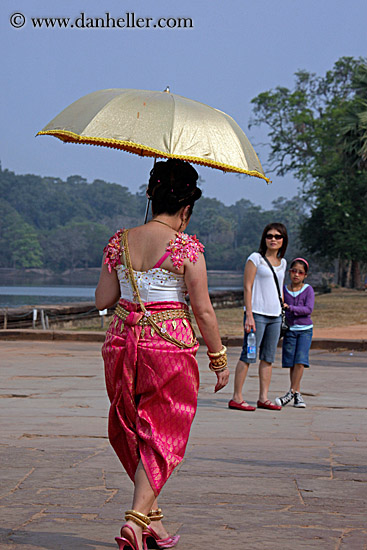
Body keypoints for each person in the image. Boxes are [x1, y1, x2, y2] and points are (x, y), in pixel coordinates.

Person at [95, 159, 229, 550]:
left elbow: (104, 299)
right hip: (168, 345)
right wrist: (218, 357)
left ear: (151, 196)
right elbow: (203, 310)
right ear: (187, 207)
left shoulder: (118, 241)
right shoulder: (187, 248)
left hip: (121, 343)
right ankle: (136, 522)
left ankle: (153, 521)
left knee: (133, 427)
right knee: (165, 434)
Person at [228, 223, 288, 412]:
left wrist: (282, 306)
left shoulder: (283, 263)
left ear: (283, 240)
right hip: (257, 316)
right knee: (249, 355)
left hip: (275, 317)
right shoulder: (256, 259)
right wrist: (249, 315)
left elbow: (279, 287)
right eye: (269, 236)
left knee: (268, 358)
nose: (273, 239)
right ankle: (237, 397)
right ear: (264, 238)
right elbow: (247, 287)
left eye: (278, 236)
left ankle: (263, 397)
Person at [275, 258, 314, 408]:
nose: (296, 275)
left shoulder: (308, 290)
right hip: (290, 330)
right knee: (291, 362)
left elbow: (308, 309)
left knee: (300, 360)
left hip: (304, 330)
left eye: (300, 272)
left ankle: (291, 392)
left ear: (305, 275)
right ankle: (296, 393)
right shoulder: (284, 289)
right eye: (294, 271)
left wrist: (290, 308)